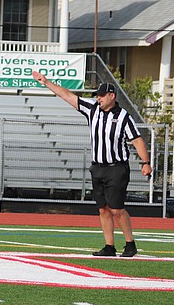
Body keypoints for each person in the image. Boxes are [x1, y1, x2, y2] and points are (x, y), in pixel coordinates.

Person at [32, 72, 153, 257]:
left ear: (111, 96)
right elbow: (67, 96)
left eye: (102, 95)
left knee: (117, 209)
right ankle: (109, 246)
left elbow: (137, 141)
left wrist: (145, 163)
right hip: (97, 167)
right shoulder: (92, 108)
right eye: (97, 94)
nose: (98, 98)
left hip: (116, 167)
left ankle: (130, 244)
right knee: (103, 208)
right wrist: (46, 82)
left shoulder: (123, 117)